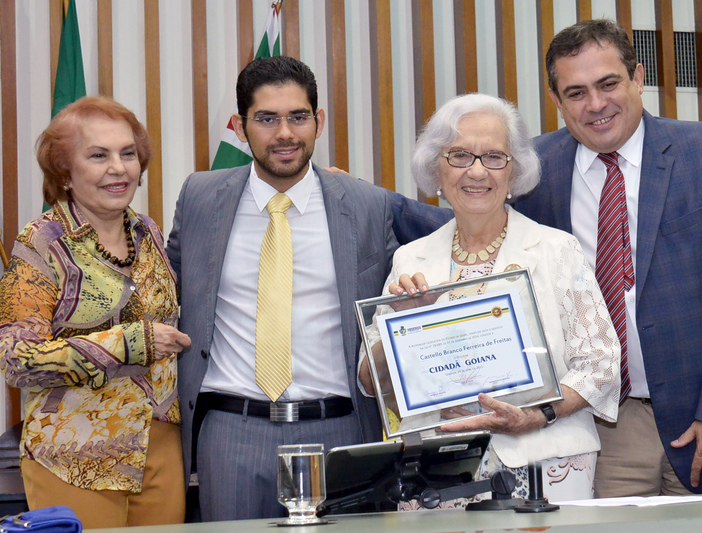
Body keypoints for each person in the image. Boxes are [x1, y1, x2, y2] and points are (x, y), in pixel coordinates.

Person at [165, 56, 442, 521]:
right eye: (266, 119)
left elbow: (435, 253)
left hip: (341, 432)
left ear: (319, 122)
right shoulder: (200, 197)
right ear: (240, 126)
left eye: (298, 117)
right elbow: (165, 283)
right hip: (231, 434)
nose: (284, 133)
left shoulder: (367, 205)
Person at [509, 19, 702, 496]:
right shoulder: (533, 169)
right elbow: (473, 221)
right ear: (555, 100)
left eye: (608, 83)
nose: (595, 104)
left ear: (638, 77)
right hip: (603, 426)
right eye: (576, 92)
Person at [360, 93, 621, 504]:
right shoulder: (410, 258)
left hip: (543, 460)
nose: (478, 171)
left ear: (514, 172)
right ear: (436, 169)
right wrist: (398, 325)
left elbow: (601, 365)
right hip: (437, 470)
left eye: (494, 157)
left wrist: (536, 415)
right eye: (460, 155)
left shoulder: (556, 250)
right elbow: (370, 380)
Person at [0, 96, 191, 528]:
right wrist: (126, 343)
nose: (118, 168)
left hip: (160, 448)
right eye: (99, 156)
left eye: (128, 154)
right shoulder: (41, 242)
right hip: (73, 452)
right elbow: (16, 360)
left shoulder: (148, 232)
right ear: (65, 173)